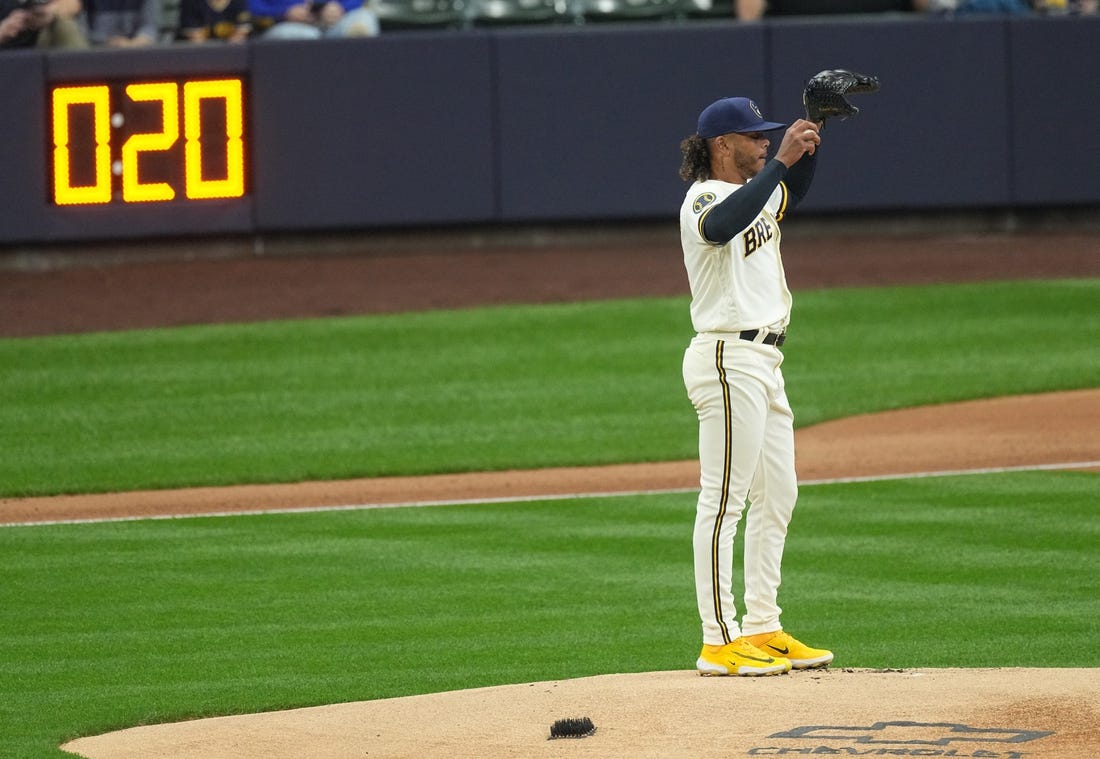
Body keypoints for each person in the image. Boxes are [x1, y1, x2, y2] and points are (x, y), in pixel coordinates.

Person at [678, 96, 834, 677]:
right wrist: (781, 163)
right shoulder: (704, 196)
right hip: (727, 358)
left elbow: (794, 188)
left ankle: (763, 625)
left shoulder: (759, 190)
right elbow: (722, 225)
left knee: (780, 494)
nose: (766, 143)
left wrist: (815, 123)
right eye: (755, 137)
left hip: (765, 362)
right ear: (723, 146)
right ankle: (718, 640)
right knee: (724, 501)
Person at [249, 0, 378, 38]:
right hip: (285, 26)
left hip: (333, 24)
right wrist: (284, 12)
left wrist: (340, 7)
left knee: (364, 19)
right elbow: (251, 8)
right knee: (306, 36)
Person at [0, 0, 87, 48]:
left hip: (36, 44)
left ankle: (84, 74)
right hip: (5, 52)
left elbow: (73, 3)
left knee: (64, 25)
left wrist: (50, 12)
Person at [84, 0, 159, 45]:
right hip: (99, 52)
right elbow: (84, 30)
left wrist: (136, 42)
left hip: (136, 52)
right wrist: (109, 41)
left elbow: (149, 26)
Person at [177, 0, 251, 41]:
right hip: (200, 58)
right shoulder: (191, 2)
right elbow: (196, 40)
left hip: (231, 55)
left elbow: (241, 34)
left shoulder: (239, 2)